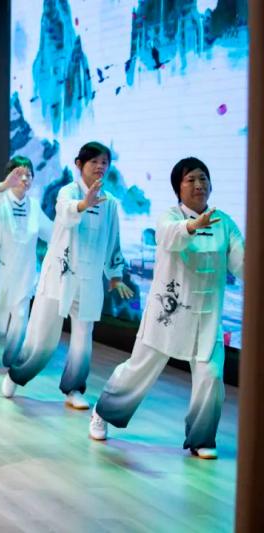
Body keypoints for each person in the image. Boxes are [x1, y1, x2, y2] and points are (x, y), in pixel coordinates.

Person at [89, 157, 244, 460]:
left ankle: (201, 438)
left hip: (207, 318)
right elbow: (170, 238)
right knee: (139, 370)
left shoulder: (224, 222)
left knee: (211, 377)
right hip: (168, 314)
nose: (199, 185)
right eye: (191, 180)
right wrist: (192, 225)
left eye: (203, 178)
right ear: (178, 187)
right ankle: (103, 412)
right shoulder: (169, 218)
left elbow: (242, 262)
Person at [2, 142, 133, 409]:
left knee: (83, 341)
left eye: (104, 162)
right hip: (59, 277)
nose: (100, 167)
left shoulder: (110, 203)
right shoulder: (68, 192)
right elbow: (66, 213)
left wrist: (115, 275)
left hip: (89, 280)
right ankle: (17, 374)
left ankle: (74, 389)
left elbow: (113, 239)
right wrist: (84, 204)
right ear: (79, 164)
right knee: (42, 339)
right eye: (94, 162)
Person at [0, 157, 53, 367]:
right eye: (19, 174)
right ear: (9, 176)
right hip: (0, 270)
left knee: (21, 314)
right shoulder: (0, 200)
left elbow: (51, 232)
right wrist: (4, 186)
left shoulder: (34, 206)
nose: (24, 179)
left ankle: (11, 358)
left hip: (24, 273)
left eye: (28, 175)